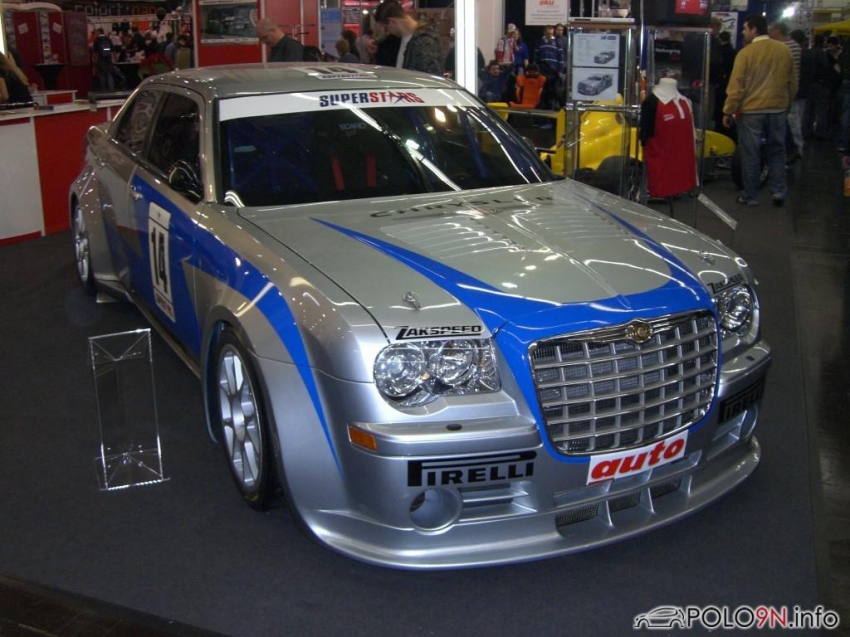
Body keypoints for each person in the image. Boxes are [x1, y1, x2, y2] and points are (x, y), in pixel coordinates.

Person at [722, 14, 796, 207]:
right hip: (777, 109)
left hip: (752, 110)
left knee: (751, 153)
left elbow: (736, 86)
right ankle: (778, 191)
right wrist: (787, 104)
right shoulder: (784, 51)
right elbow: (792, 82)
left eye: (745, 28)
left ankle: (750, 195)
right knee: (777, 151)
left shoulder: (746, 54)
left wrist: (728, 110)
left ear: (754, 29)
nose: (743, 32)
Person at [639, 77, 697, 198]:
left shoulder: (685, 101)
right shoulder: (651, 103)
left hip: (683, 166)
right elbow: (645, 138)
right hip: (661, 170)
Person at [374, 0, 443, 75]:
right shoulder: (397, 41)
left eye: (385, 28)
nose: (387, 31)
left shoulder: (424, 42)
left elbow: (431, 76)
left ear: (392, 21)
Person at [769, 21, 804, 162]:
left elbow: (790, 72)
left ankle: (794, 149)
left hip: (784, 91)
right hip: (786, 90)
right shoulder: (793, 46)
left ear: (778, 30)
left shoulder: (786, 47)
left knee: (789, 121)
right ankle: (792, 149)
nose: (769, 33)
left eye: (771, 30)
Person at [534, 25, 565, 109]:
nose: (550, 35)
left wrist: (560, 70)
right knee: (543, 88)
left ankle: (553, 105)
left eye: (551, 34)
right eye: (548, 33)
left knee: (553, 89)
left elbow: (561, 57)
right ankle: (543, 105)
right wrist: (536, 68)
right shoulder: (539, 42)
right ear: (544, 32)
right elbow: (536, 56)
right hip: (542, 70)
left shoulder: (557, 42)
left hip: (553, 70)